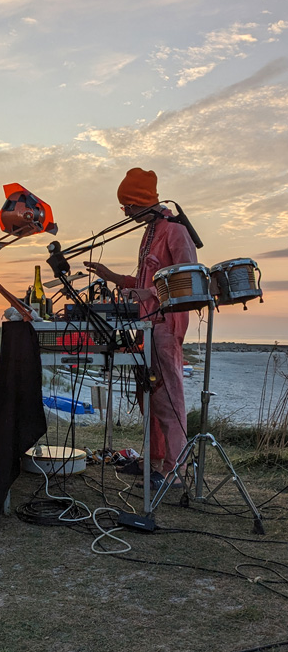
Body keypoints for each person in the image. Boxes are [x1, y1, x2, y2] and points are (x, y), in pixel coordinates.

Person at [84, 168, 197, 488]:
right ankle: (153, 460)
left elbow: (186, 283)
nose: (127, 214)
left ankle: (174, 469)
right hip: (144, 325)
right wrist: (113, 277)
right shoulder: (150, 231)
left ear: (139, 202)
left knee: (169, 397)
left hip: (165, 324)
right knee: (148, 394)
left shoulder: (175, 230)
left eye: (128, 207)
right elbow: (144, 283)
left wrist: (147, 294)